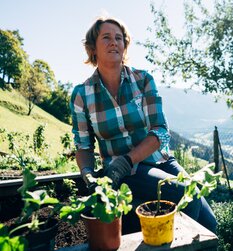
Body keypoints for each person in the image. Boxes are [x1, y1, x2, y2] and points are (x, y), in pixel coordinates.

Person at [69, 16, 217, 233]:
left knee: (210, 224)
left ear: (125, 45)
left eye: (119, 38)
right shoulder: (82, 95)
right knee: (187, 195)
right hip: (124, 172)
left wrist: (128, 159)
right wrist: (88, 173)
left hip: (160, 160)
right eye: (106, 37)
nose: (114, 42)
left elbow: (160, 131)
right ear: (93, 48)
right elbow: (83, 146)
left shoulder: (143, 80)